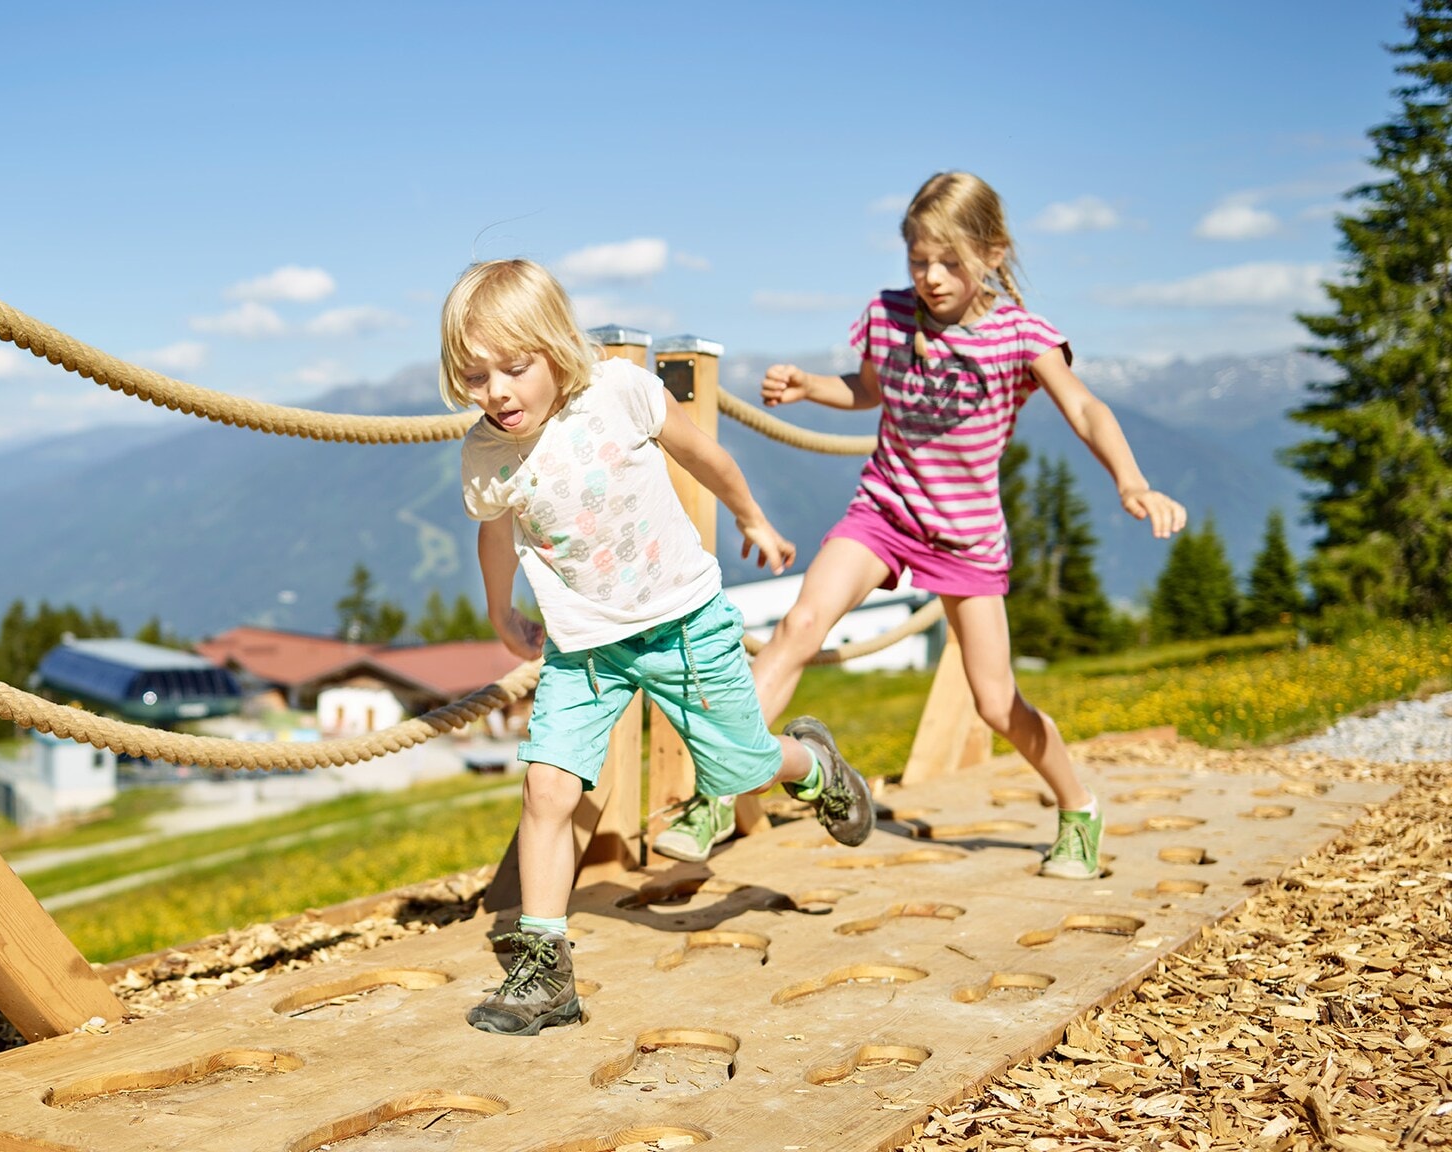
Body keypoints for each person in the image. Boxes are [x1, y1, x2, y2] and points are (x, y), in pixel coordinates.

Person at [445, 259, 874, 1037]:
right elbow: (497, 535)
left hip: (681, 622)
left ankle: (813, 764)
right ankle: (546, 973)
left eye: (514, 368)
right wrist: (502, 614)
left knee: (741, 766)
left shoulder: (619, 390)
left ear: (556, 347)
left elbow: (705, 456)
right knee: (547, 789)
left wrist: (751, 518)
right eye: (475, 376)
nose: (497, 392)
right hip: (583, 648)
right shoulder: (488, 453)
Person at [747, 171, 1188, 883]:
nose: (931, 277)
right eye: (918, 260)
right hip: (884, 511)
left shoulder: (1022, 337)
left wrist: (1131, 481)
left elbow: (1085, 409)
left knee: (996, 703)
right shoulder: (889, 316)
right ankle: (724, 779)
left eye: (949, 262)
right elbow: (868, 390)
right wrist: (809, 389)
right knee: (800, 625)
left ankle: (1077, 806)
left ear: (994, 253)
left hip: (966, 538)